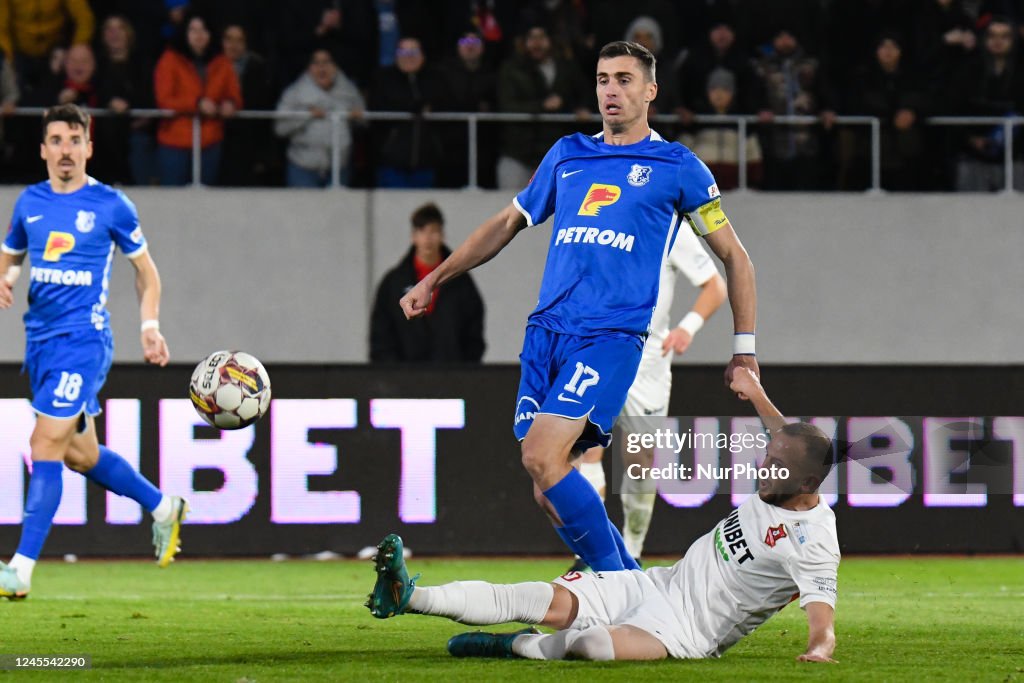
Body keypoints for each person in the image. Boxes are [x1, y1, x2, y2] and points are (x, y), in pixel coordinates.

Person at [397, 41, 758, 573]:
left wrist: (744, 350)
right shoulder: (568, 154)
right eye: (603, 79)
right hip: (546, 333)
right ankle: (629, 586)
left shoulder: (676, 167)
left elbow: (735, 259)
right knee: (548, 487)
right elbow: (506, 224)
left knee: (544, 456)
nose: (611, 90)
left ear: (650, 91)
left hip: (610, 336)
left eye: (624, 79)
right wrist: (437, 278)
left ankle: (622, 585)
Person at [367, 368, 839, 664]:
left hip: (685, 631)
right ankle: (409, 597)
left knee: (590, 646)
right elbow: (785, 432)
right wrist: (754, 390)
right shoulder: (790, 468)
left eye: (776, 464)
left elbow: (822, 611)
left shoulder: (813, 541)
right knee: (536, 596)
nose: (763, 466)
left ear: (805, 485)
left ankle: (515, 645)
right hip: (655, 585)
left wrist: (820, 647)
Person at [0, 104, 187, 600]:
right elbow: (12, 250)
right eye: (56, 140)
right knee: (81, 456)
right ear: (43, 149)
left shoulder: (111, 205)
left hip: (83, 341)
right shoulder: (29, 202)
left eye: (74, 139)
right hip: (39, 344)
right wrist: (7, 276)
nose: (65, 149)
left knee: (44, 444)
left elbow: (146, 270)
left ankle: (19, 568)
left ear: (89, 147)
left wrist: (150, 325)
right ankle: (163, 506)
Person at [571, 225, 727, 571]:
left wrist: (687, 327)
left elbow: (715, 287)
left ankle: (633, 548)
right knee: (585, 449)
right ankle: (592, 556)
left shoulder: (672, 230)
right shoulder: (604, 224)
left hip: (648, 364)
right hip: (600, 353)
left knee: (640, 461)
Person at [370, 202, 485, 363]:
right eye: (422, 231)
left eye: (434, 231)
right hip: (402, 380)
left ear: (442, 234)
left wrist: (463, 370)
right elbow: (381, 335)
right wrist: (393, 373)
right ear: (413, 236)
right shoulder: (394, 282)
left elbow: (473, 333)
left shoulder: (461, 282)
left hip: (451, 378)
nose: (428, 238)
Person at [153, 13, 242, 186]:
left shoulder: (222, 61)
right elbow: (164, 100)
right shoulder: (170, 59)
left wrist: (230, 104)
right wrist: (196, 104)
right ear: (185, 33)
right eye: (193, 30)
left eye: (203, 30)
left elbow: (234, 94)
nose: (199, 35)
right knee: (172, 199)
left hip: (210, 141)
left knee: (207, 200)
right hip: (175, 142)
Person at [275, 47, 364, 188]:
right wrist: (306, 115)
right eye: (316, 63)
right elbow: (280, 129)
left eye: (326, 62)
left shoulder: (349, 91)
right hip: (303, 170)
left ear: (335, 66)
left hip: (339, 170)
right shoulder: (294, 93)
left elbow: (364, 120)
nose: (321, 68)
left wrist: (356, 116)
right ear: (309, 68)